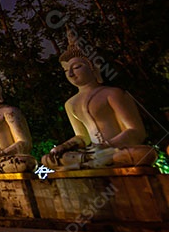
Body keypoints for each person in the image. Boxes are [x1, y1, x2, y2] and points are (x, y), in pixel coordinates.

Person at [41, 29, 156, 171]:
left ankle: (87, 163)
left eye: (77, 67)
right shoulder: (70, 104)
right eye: (66, 70)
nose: (70, 74)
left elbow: (136, 131)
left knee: (145, 154)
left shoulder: (112, 93)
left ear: (94, 68)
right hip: (92, 153)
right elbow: (82, 137)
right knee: (47, 159)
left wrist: (107, 145)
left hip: (116, 150)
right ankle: (89, 162)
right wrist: (64, 147)